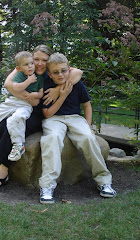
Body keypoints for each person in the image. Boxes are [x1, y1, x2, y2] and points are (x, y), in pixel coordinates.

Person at [0, 45, 83, 192]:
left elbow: (78, 72)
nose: (40, 63)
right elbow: (8, 84)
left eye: (44, 60)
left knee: (14, 128)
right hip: (22, 107)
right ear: (31, 58)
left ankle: (2, 173)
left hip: (39, 114)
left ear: (49, 61)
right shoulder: (26, 70)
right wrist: (27, 97)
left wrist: (56, 90)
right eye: (36, 59)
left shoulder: (52, 72)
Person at [39, 53, 116, 204]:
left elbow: (87, 105)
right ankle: (47, 186)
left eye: (63, 70)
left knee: (88, 137)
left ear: (69, 69)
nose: (60, 74)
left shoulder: (77, 83)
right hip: (54, 119)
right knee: (52, 138)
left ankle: (104, 181)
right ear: (49, 74)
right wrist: (62, 95)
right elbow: (47, 114)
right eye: (55, 72)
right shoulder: (46, 85)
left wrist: (88, 126)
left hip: (75, 118)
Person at [0, 51, 44, 161]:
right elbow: (15, 88)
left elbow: (41, 93)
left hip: (25, 105)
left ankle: (18, 145)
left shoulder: (39, 78)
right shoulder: (20, 75)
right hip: (11, 102)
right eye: (26, 64)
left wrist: (35, 95)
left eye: (31, 63)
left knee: (16, 119)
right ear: (19, 68)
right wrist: (28, 82)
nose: (30, 66)